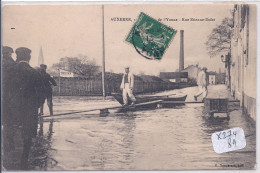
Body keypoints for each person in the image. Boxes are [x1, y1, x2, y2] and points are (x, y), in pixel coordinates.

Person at [7, 47, 45, 170]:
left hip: (11, 109)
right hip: (29, 109)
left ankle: (8, 163)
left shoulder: (9, 71)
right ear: (29, 57)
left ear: (17, 56)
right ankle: (24, 162)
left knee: (10, 135)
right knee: (27, 136)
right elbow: (41, 93)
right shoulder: (34, 72)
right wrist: (35, 105)